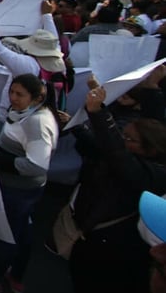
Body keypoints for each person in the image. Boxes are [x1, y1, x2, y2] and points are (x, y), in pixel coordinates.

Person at [61, 84, 166, 293]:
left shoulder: (150, 174)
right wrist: (152, 87)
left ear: (151, 149)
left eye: (129, 139)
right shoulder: (132, 161)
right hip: (91, 235)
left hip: (109, 249)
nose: (123, 141)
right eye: (122, 136)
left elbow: (117, 154)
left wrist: (98, 113)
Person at [0, 74, 61, 293]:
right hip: (20, 189)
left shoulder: (37, 123)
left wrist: (1, 161)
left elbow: (37, 166)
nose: (13, 98)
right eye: (12, 92)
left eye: (20, 94)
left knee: (6, 235)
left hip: (18, 190)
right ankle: (15, 275)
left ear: (37, 98)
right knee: (22, 232)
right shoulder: (28, 114)